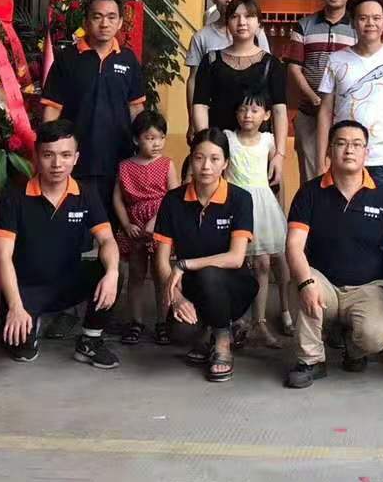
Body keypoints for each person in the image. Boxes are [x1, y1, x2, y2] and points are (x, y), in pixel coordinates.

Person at [283, 120, 383, 389]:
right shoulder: (310, 193)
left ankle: (354, 349)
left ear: (366, 153)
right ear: (329, 150)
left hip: (367, 287)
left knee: (377, 335)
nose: (349, 150)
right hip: (323, 283)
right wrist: (305, 282)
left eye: (357, 144)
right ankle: (311, 360)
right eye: (341, 143)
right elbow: (294, 245)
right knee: (300, 285)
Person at [0, 119, 121, 369]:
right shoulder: (14, 197)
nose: (57, 164)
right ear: (36, 157)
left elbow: (107, 239)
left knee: (110, 270)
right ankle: (30, 319)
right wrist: (16, 307)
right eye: (48, 155)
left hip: (67, 282)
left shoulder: (86, 193)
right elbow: (3, 257)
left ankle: (90, 342)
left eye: (65, 155)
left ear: (76, 158)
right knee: (21, 351)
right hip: (27, 289)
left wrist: (113, 273)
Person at [152, 129, 258, 383]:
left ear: (225, 163)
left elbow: (235, 258)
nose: (206, 166)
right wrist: (176, 297)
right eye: (199, 158)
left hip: (234, 285)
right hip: (192, 287)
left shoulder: (240, 199)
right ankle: (209, 330)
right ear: (191, 159)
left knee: (209, 274)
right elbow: (161, 260)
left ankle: (222, 339)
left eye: (214, 159)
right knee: (179, 333)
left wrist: (184, 265)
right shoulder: (173, 201)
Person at [41, 0, 146, 219]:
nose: (104, 23)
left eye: (111, 17)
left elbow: (136, 109)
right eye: (97, 17)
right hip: (75, 158)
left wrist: (142, 148)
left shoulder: (128, 59)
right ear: (86, 21)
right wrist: (47, 148)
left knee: (111, 224)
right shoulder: (67, 58)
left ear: (120, 22)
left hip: (118, 158)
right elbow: (52, 107)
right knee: (74, 221)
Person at [314, 0, 383, 195]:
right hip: (344, 158)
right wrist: (321, 161)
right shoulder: (336, 59)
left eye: (376, 18)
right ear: (353, 23)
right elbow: (325, 112)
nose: (370, 23)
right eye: (363, 18)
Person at [190, 0, 288, 182]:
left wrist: (279, 154)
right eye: (235, 16)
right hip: (219, 148)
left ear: (259, 23)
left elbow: (279, 110)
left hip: (256, 151)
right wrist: (207, 145)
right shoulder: (210, 60)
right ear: (227, 22)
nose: (242, 22)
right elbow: (200, 105)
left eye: (249, 16)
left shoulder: (272, 64)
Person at [224, 88, 292, 347]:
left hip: (263, 207)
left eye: (254, 110)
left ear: (266, 115)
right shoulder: (228, 138)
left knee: (263, 263)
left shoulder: (269, 141)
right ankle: (235, 320)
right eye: (243, 109)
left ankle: (259, 322)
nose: (248, 115)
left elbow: (276, 178)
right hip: (236, 205)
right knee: (236, 264)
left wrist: (280, 207)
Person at [112, 110, 179, 346]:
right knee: (136, 275)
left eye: (160, 137)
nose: (156, 143)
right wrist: (126, 224)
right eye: (150, 138)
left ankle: (162, 322)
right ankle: (136, 322)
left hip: (160, 226)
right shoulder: (125, 167)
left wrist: (157, 221)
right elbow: (117, 199)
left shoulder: (167, 164)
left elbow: (174, 197)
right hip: (135, 227)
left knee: (162, 276)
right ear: (136, 139)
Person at [287, 0, 357, 185]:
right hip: (310, 112)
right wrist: (315, 98)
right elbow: (294, 68)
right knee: (312, 178)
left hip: (346, 115)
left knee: (346, 176)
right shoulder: (304, 25)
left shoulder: (358, 26)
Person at [185, 0, 270, 120]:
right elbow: (194, 80)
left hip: (251, 116)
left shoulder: (256, 33)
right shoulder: (201, 37)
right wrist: (192, 119)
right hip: (216, 114)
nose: (229, 0)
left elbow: (267, 73)